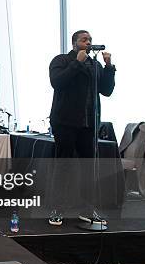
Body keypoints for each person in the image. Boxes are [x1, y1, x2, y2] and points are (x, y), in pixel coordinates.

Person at [48, 30, 115, 226]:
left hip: (89, 124)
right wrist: (77, 63)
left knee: (89, 168)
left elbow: (107, 90)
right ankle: (57, 208)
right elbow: (57, 82)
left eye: (90, 40)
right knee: (63, 166)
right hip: (65, 122)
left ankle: (88, 209)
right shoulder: (61, 60)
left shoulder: (94, 65)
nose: (88, 42)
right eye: (84, 39)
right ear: (74, 43)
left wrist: (109, 67)